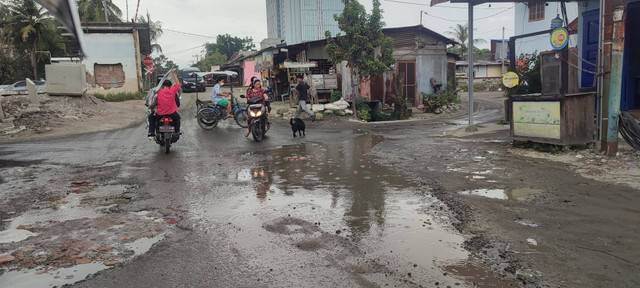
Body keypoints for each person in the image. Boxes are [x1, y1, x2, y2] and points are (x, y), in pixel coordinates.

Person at [148, 71, 181, 139]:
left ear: (162, 86)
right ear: (170, 86)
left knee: (151, 117)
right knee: (177, 118)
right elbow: (177, 83)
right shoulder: (172, 91)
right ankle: (177, 132)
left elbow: (153, 101)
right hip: (172, 113)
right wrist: (174, 73)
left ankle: (151, 133)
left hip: (160, 114)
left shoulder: (158, 92)